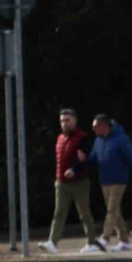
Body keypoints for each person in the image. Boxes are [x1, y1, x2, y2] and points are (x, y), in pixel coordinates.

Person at [42, 108, 96, 254]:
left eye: (67, 120)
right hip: (61, 182)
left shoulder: (82, 137)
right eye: (62, 121)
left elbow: (84, 158)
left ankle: (91, 242)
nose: (64, 124)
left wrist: (74, 169)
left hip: (79, 181)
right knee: (59, 212)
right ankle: (52, 242)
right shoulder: (60, 138)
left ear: (75, 120)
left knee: (84, 212)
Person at [90, 114, 132, 253]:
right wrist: (81, 163)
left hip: (119, 180)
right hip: (104, 180)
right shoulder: (98, 141)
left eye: (95, 127)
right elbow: (93, 158)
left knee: (111, 210)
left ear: (104, 126)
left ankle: (104, 239)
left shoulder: (121, 139)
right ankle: (124, 241)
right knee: (115, 211)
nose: (93, 129)